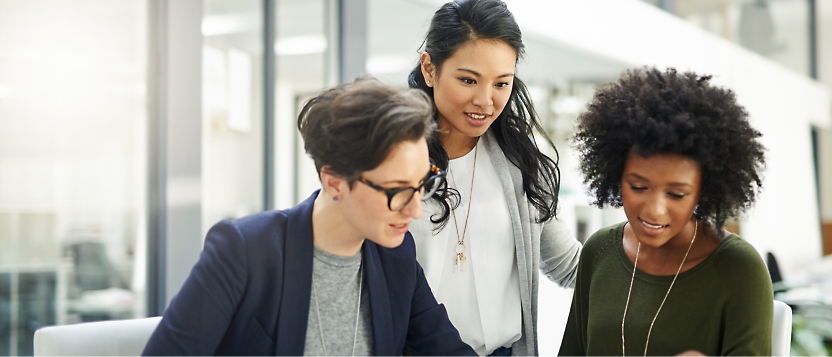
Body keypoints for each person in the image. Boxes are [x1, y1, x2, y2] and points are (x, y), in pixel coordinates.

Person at [142, 77, 476, 356]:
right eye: (396, 191)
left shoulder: (396, 258)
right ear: (333, 181)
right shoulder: (244, 252)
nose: (415, 209)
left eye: (422, 184)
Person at [406, 0, 582, 355]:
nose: (485, 101)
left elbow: (569, 266)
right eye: (468, 80)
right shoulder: (392, 159)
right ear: (430, 68)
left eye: (502, 83)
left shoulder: (522, 162)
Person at [558, 67, 772, 356]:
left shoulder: (738, 270)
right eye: (638, 187)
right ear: (616, 174)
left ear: (704, 190)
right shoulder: (599, 252)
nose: (655, 211)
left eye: (676, 194)